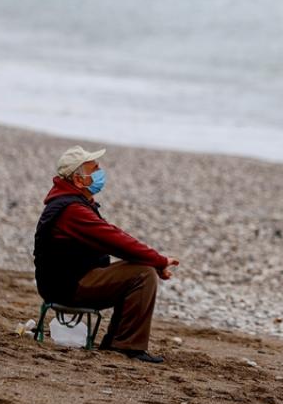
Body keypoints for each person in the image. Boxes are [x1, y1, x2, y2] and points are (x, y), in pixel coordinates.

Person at [33, 145, 178, 363]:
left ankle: (119, 341)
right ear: (79, 180)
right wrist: (158, 261)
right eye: (95, 169)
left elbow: (113, 238)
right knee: (144, 273)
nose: (101, 171)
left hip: (66, 281)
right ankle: (125, 346)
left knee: (139, 267)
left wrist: (151, 259)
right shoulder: (72, 210)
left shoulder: (73, 203)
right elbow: (115, 239)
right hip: (67, 287)